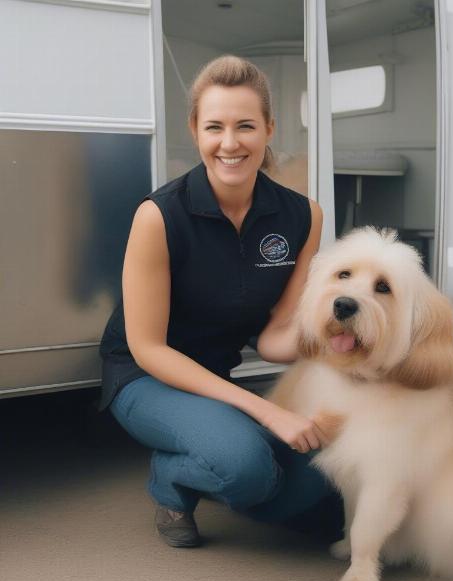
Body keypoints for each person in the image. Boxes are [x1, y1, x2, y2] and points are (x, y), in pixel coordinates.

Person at [98, 55, 342, 547]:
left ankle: (233, 469)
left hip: (217, 379)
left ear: (269, 128)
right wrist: (267, 411)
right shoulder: (158, 216)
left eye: (246, 126)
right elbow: (148, 349)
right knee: (247, 468)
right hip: (145, 379)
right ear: (195, 131)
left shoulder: (303, 217)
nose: (230, 143)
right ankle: (172, 480)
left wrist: (339, 343)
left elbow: (275, 338)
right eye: (215, 127)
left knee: (329, 468)